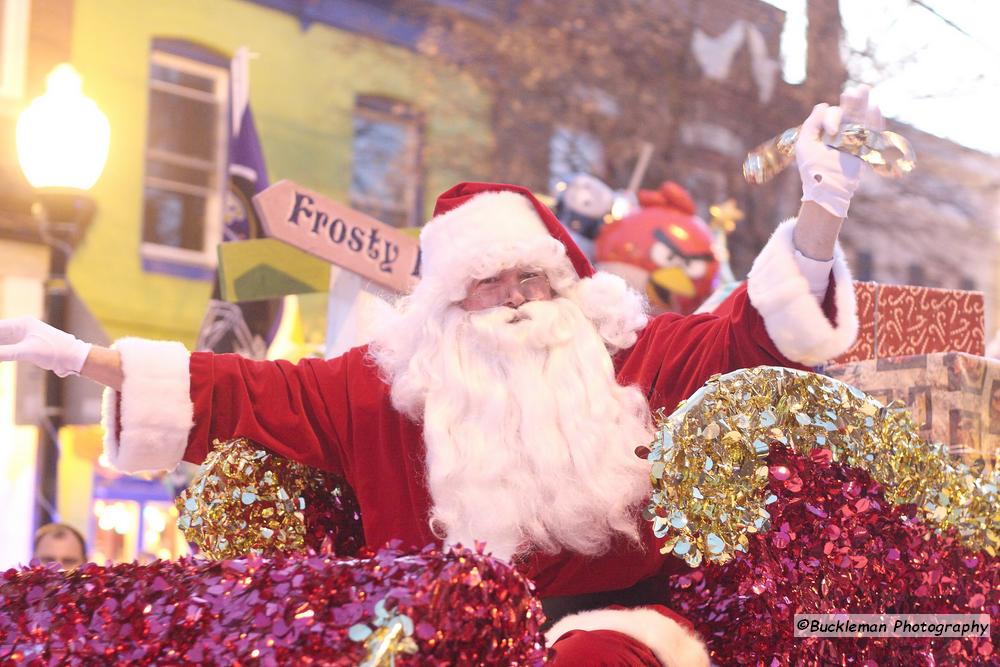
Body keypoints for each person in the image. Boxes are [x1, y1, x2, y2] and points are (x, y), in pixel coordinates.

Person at [1, 89, 880, 666]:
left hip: (613, 632)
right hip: (428, 642)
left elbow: (754, 331)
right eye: (488, 285)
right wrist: (84, 357)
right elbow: (240, 388)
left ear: (566, 286)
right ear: (448, 307)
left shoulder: (631, 359)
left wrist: (821, 208)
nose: (516, 302)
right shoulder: (385, 389)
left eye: (531, 279)